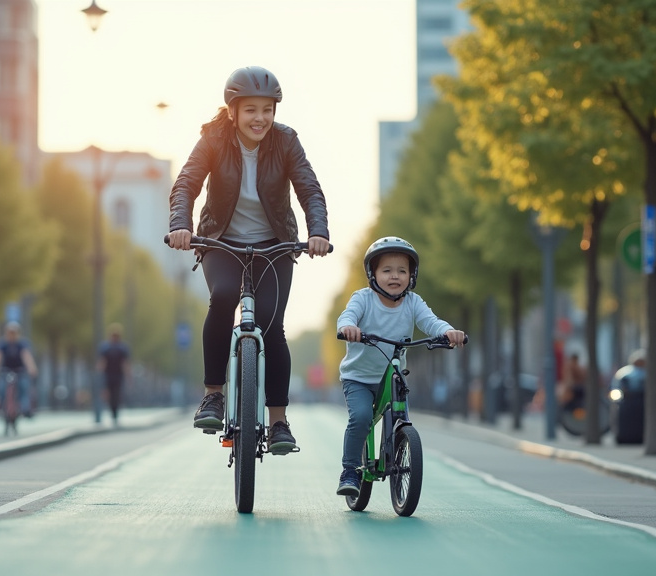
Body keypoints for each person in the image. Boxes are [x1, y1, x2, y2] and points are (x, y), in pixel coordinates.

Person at [166, 65, 330, 454]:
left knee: (272, 324)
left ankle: (278, 423)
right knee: (223, 297)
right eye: (251, 110)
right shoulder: (212, 139)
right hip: (221, 240)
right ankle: (213, 396)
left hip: (274, 245)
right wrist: (180, 224)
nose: (260, 118)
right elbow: (187, 182)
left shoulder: (286, 141)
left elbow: (309, 188)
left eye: (267, 110)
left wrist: (318, 231)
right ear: (232, 111)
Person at [335, 237, 466, 497]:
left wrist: (448, 332)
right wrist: (348, 327)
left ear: (411, 276)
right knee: (361, 418)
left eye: (402, 271)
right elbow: (347, 315)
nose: (395, 276)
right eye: (387, 270)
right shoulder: (363, 298)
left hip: (392, 375)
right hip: (359, 378)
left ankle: (397, 450)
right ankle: (349, 470)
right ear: (373, 274)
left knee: (401, 417)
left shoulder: (413, 302)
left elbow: (431, 322)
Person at [0, 321, 38, 417]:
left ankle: (25, 408)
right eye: (10, 332)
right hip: (5, 370)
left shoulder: (22, 344)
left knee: (23, 387)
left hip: (20, 370)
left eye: (14, 332)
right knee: (1, 387)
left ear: (18, 333)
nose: (12, 334)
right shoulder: (2, 344)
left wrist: (31, 367)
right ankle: (0, 405)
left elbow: (26, 356)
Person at [96, 323, 131, 426]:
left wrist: (128, 375)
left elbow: (125, 363)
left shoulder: (122, 348)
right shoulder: (105, 347)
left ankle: (115, 413)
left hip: (118, 375)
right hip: (108, 375)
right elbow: (102, 361)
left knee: (116, 394)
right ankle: (112, 412)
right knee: (109, 394)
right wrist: (99, 372)